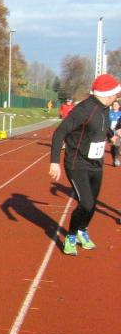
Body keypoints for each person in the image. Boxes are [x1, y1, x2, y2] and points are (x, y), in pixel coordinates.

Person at [49, 74, 120, 255]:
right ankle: (71, 236)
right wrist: (54, 162)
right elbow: (59, 133)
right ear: (107, 94)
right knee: (86, 203)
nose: (118, 95)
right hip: (77, 163)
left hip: (96, 163)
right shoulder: (83, 110)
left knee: (92, 203)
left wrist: (111, 135)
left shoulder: (104, 107)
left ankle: (82, 231)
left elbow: (103, 125)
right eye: (116, 92)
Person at [109, 99, 120, 167]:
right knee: (113, 146)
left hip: (118, 132)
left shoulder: (120, 113)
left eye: (116, 105)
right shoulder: (109, 113)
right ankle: (114, 159)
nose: (115, 106)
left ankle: (116, 159)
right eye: (114, 105)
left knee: (116, 145)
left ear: (119, 106)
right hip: (110, 132)